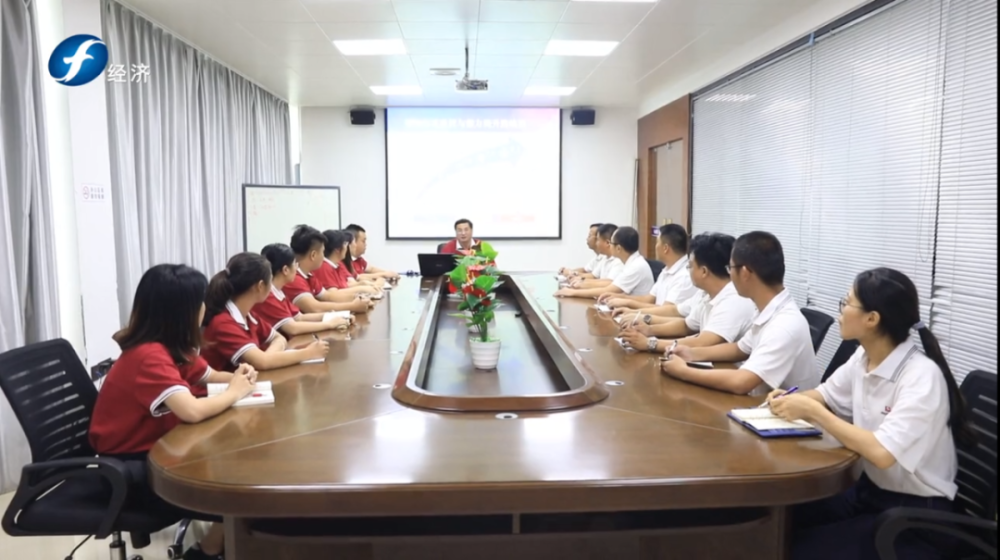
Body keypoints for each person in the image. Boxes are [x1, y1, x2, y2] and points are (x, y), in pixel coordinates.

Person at [770, 268, 972, 560]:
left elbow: (881, 452)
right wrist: (790, 399)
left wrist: (814, 411)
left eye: (846, 303)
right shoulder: (864, 357)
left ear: (872, 319)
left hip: (916, 519)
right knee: (782, 517)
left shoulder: (920, 377)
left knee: (793, 549)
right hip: (869, 492)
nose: (840, 311)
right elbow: (825, 394)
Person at [88, 264, 256, 560]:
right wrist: (235, 392)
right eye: (200, 302)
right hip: (130, 471)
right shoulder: (148, 356)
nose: (204, 307)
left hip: (154, 451)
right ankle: (206, 552)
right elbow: (190, 410)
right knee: (242, 494)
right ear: (185, 311)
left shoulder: (170, 346)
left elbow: (209, 375)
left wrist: (238, 377)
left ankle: (218, 548)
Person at [661, 231, 817, 394]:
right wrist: (690, 353)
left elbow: (741, 382)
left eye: (730, 268)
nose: (729, 275)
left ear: (744, 273)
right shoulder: (769, 309)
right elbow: (739, 349)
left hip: (785, 414)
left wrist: (683, 371)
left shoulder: (784, 325)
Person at [619, 233, 756, 353]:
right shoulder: (706, 294)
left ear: (704, 271)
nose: (688, 270)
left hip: (731, 371)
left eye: (690, 266)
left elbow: (703, 342)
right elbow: (686, 325)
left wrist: (650, 343)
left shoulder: (733, 300)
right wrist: (649, 330)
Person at [202, 252, 329, 371]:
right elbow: (262, 362)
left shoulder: (249, 315)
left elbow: (278, 339)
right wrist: (308, 353)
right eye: (270, 279)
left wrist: (268, 357)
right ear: (260, 286)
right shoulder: (224, 323)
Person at [255, 243, 352, 337]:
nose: (297, 268)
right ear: (285, 270)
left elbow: (299, 317)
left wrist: (340, 316)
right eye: (295, 264)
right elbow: (293, 328)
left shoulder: (278, 291)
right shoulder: (268, 295)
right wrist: (329, 324)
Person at [601, 224, 700, 312]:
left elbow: (665, 311)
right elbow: (649, 299)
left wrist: (628, 303)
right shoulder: (667, 270)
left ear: (665, 248)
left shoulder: (684, 276)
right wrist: (619, 297)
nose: (655, 246)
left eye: (657, 242)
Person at [285, 224, 371, 315]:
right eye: (322, 252)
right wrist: (352, 306)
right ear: (313, 255)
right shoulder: (294, 278)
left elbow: (328, 296)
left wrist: (359, 297)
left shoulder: (309, 274)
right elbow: (314, 308)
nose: (324, 256)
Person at [556, 227, 654, 299]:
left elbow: (608, 289)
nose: (609, 246)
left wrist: (572, 292)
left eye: (611, 243)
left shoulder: (636, 266)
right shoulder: (630, 263)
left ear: (619, 248)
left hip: (635, 313)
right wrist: (581, 283)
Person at [311, 229, 380, 300]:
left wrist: (363, 285)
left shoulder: (337, 265)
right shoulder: (324, 267)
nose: (347, 248)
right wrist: (361, 289)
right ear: (337, 249)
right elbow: (334, 294)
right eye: (345, 245)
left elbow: (346, 285)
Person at [563, 223, 623, 288]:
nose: (596, 243)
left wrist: (582, 283)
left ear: (607, 243)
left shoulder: (618, 261)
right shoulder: (605, 258)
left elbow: (609, 283)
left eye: (597, 240)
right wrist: (577, 278)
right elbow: (594, 276)